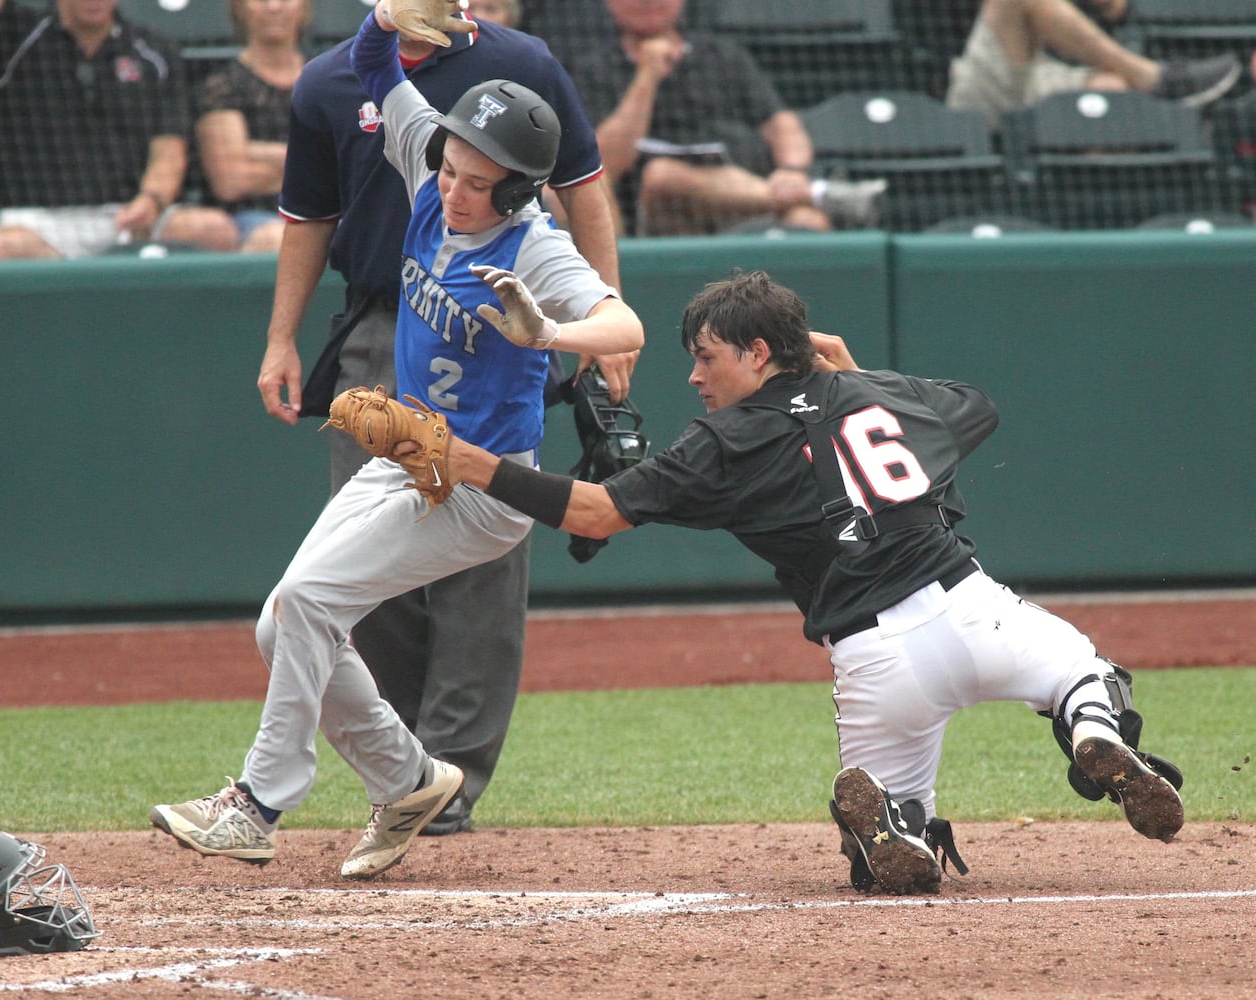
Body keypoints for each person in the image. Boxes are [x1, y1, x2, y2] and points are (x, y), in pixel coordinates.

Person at [420, 269, 1185, 894]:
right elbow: (974, 409)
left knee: (875, 850)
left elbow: (592, 513)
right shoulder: (876, 395)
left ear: (757, 352)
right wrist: (857, 376)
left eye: (707, 357)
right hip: (975, 610)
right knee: (1082, 672)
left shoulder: (721, 439)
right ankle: (1091, 731)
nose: (692, 376)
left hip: (875, 660)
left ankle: (896, 826)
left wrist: (468, 462)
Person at [149, 4, 644, 878]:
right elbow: (374, 62)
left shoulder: (533, 248)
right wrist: (383, 14)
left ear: (521, 189)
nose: (453, 187)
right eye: (450, 165)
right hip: (405, 462)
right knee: (282, 623)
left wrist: (549, 336)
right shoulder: (429, 166)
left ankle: (257, 806)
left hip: (481, 489)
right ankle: (407, 776)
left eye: (476, 179)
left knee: (306, 602)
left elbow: (623, 324)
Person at [562, 0, 887, 236]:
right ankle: (821, 195)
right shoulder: (592, 67)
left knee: (809, 222)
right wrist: (647, 77)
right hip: (658, 218)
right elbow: (604, 162)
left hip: (743, 200)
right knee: (662, 176)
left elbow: (782, 124)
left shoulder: (722, 55)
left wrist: (791, 170)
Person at [0, 0, 215, 259]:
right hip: (40, 221)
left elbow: (168, 151)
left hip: (130, 217)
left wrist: (151, 201)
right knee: (4, 249)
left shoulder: (155, 52)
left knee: (211, 231)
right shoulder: (14, 35)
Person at [946, 0, 1243, 125]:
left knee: (1111, 92)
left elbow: (1116, 10)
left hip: (1052, 74)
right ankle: (1153, 79)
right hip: (987, 79)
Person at [185, 0, 312, 253]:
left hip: (330, 214)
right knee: (281, 238)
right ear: (239, 8)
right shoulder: (222, 87)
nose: (274, 7)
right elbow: (231, 181)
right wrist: (315, 161)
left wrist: (250, 151)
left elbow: (351, 163)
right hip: (253, 218)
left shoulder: (328, 80)